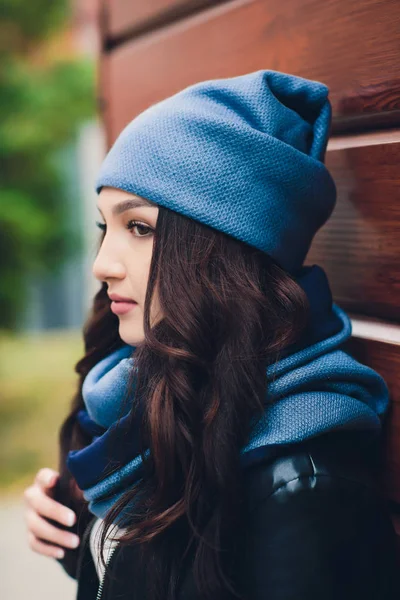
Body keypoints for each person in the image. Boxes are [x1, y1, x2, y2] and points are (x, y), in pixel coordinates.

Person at [23, 69, 398, 600]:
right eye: (106, 227)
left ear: (222, 248)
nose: (102, 265)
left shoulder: (302, 490)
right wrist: (84, 538)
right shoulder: (155, 399)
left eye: (140, 227)